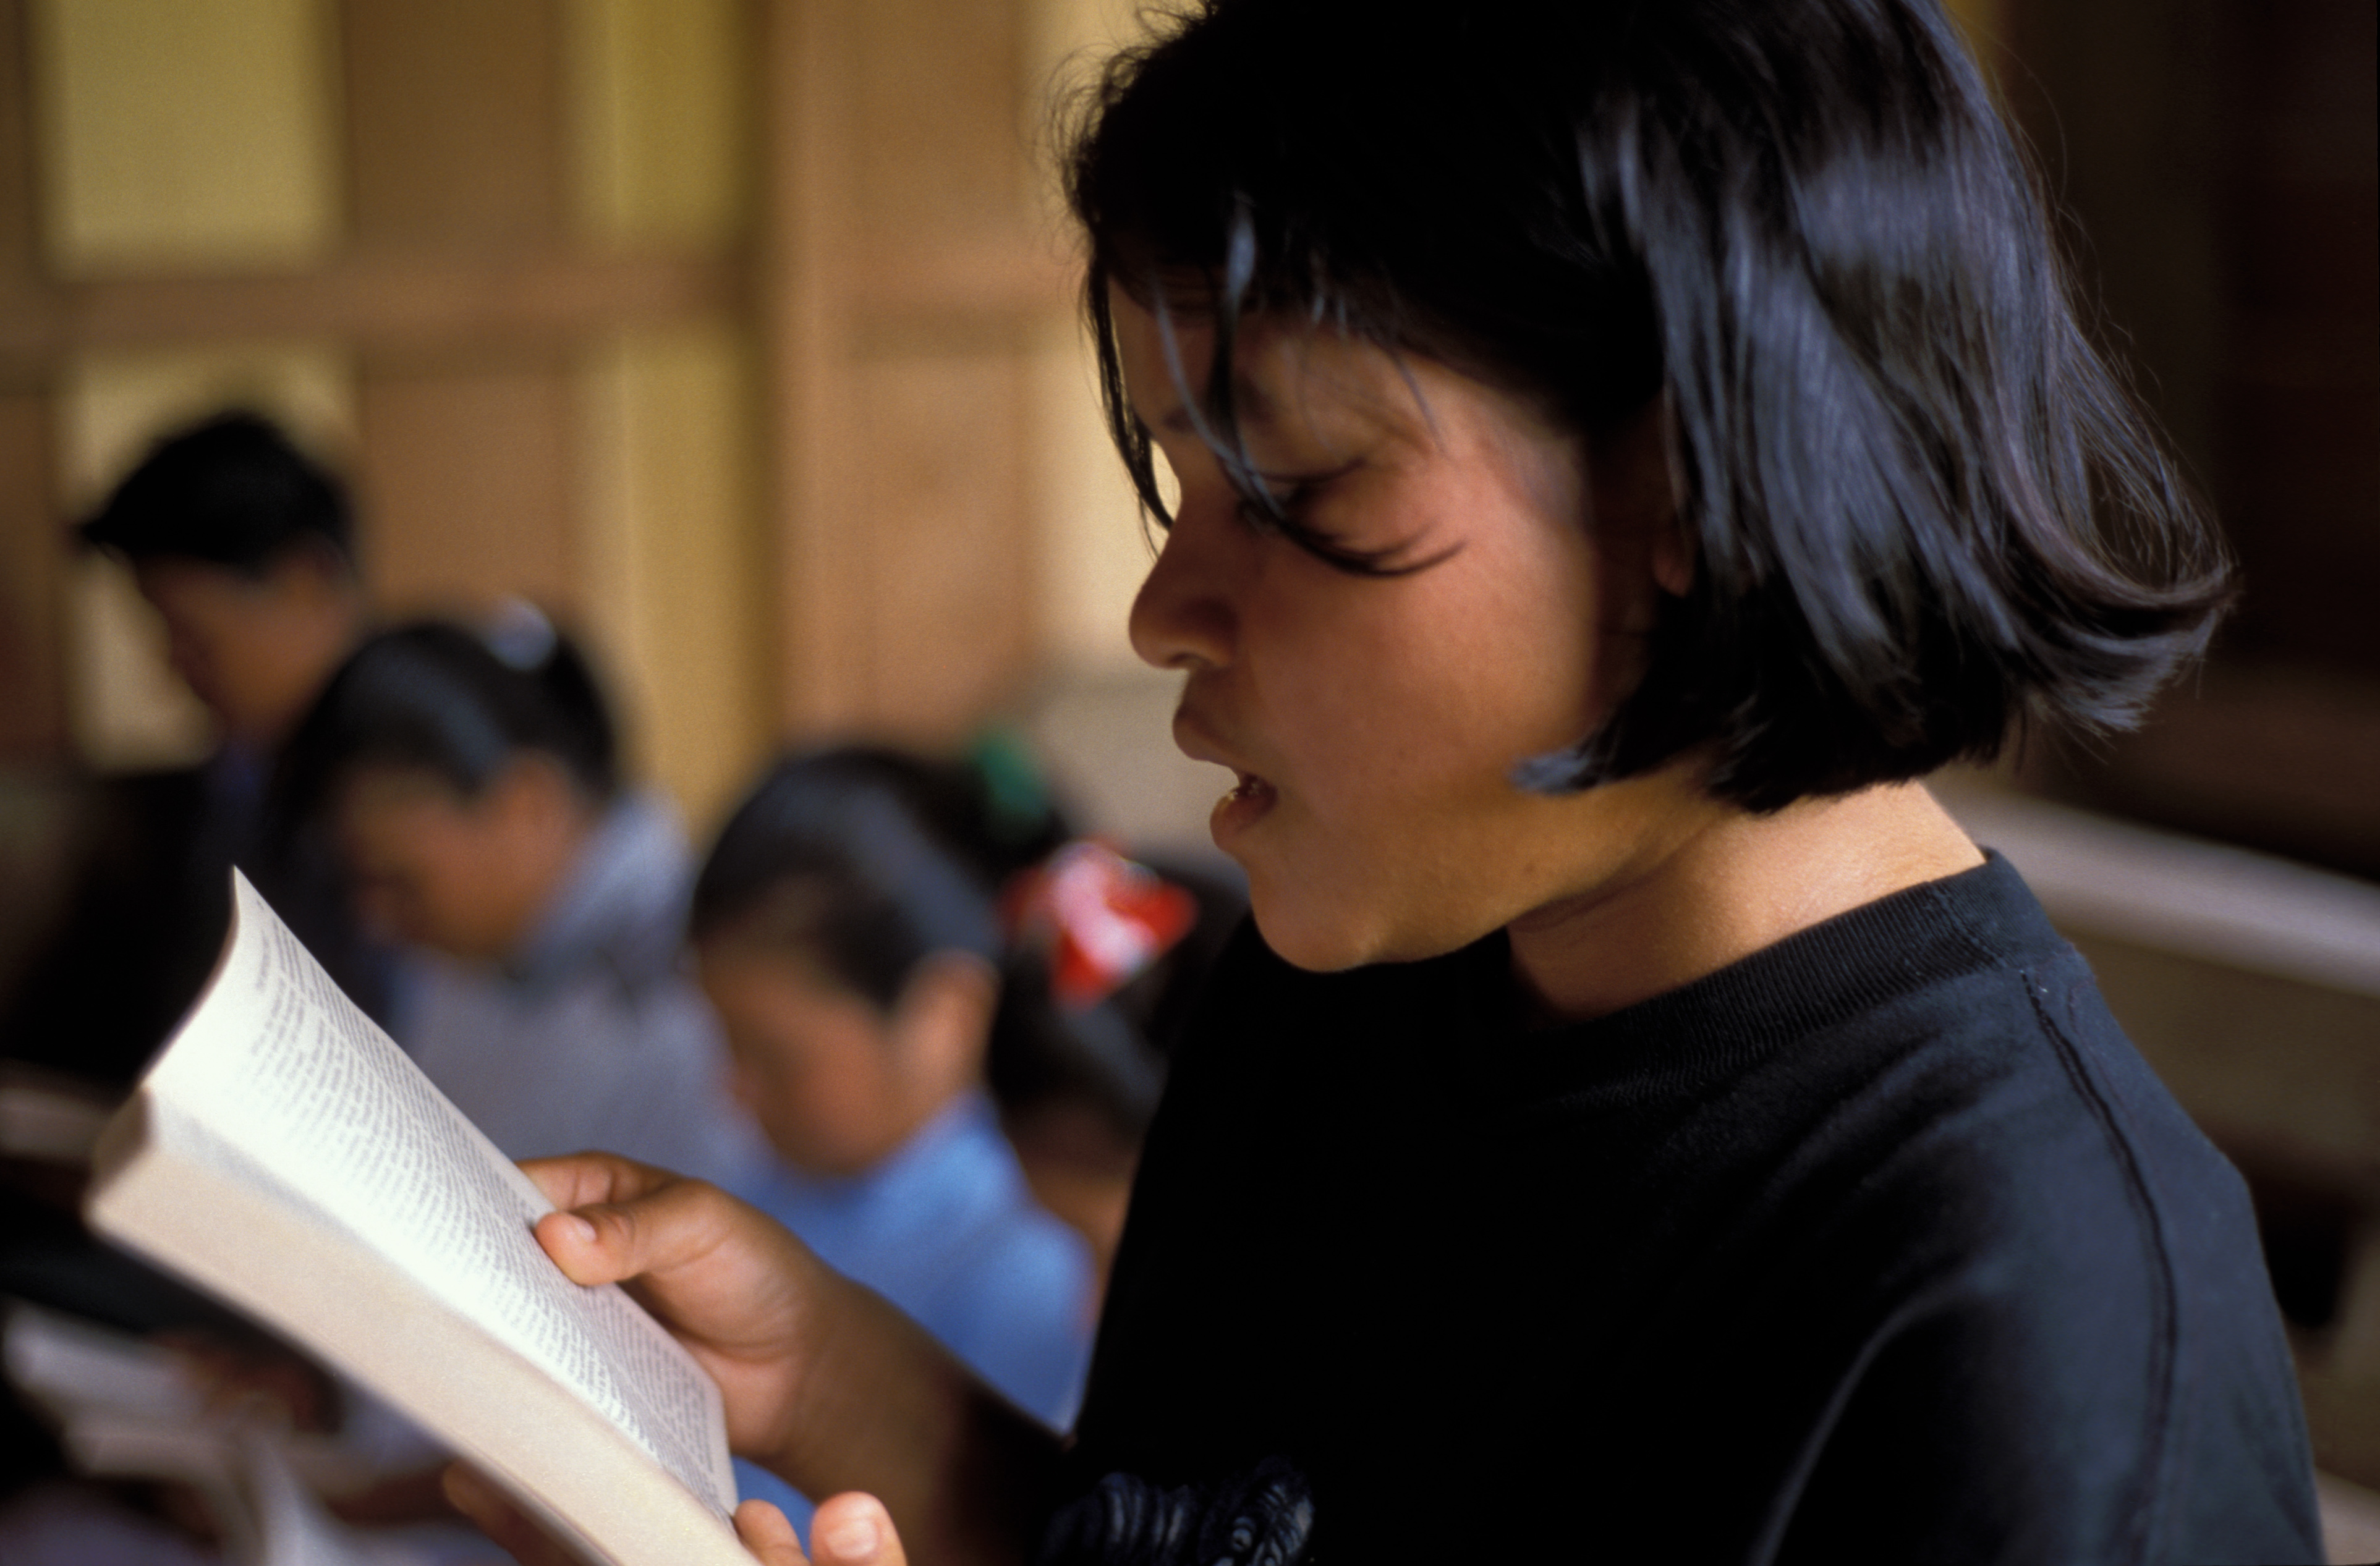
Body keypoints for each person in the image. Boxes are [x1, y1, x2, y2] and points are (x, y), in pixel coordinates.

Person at [448, 1, 2321, 1562]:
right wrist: (849, 1400)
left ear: (1677, 494)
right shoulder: (1326, 999)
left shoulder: (2031, 1320)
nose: (1166, 603)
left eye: (1292, 485)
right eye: (1177, 480)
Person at [687, 745, 1139, 1530]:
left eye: (775, 1056)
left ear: (945, 1016)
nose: (733, 1086)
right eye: (726, 1045)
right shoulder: (775, 1183)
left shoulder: (1042, 1258)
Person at [277, 611, 759, 1186]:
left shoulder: (704, 989)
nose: (374, 920)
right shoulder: (477, 949)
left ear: (526, 803)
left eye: (400, 882)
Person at [7, 411, 386, 1087]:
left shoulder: (415, 776)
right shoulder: (224, 792)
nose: (176, 666)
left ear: (306, 579)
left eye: (194, 634)